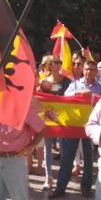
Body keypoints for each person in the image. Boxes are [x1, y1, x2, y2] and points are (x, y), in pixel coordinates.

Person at [50, 60, 101, 199]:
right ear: (83, 70)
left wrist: (91, 96)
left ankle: (86, 188)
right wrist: (78, 93)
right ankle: (60, 188)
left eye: (92, 69)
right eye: (87, 69)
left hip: (90, 127)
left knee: (89, 159)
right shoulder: (74, 84)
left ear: (96, 71)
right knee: (66, 158)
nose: (89, 72)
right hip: (73, 126)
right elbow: (65, 97)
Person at [38, 55, 71, 190]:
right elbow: (40, 99)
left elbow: (71, 97)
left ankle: (62, 179)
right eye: (55, 62)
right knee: (47, 148)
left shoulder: (67, 81)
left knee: (63, 150)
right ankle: (48, 177)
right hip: (48, 120)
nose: (58, 64)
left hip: (63, 120)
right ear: (50, 65)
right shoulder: (44, 81)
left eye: (60, 62)